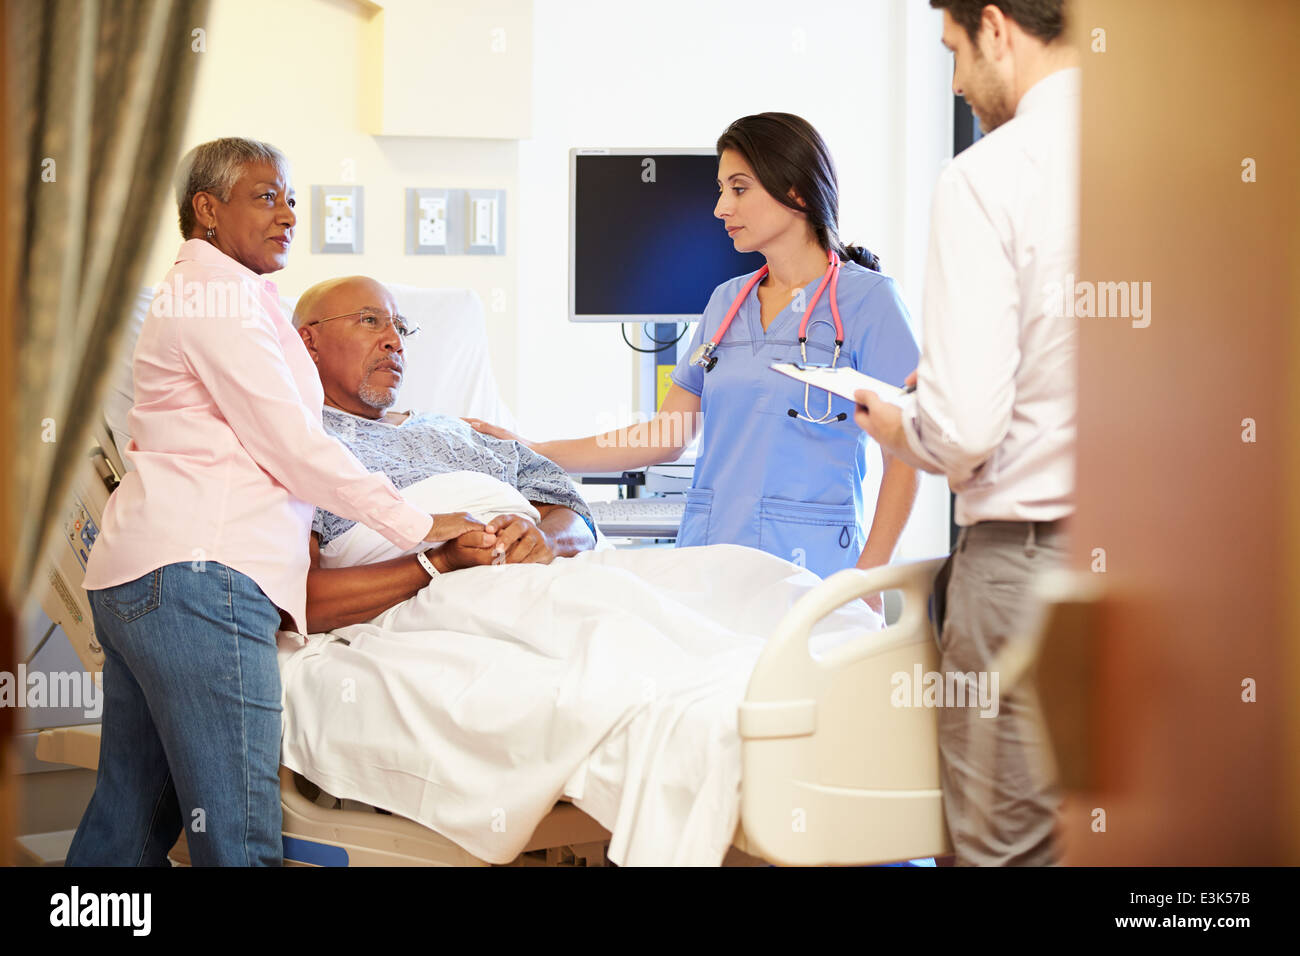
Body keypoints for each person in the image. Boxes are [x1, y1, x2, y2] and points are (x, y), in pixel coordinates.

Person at [69, 138, 486, 867]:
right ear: (207, 209)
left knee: (126, 831)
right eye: (266, 197)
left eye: (290, 198)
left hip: (146, 579)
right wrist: (418, 525)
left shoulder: (232, 297)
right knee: (241, 840)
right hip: (201, 582)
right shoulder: (216, 300)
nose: (288, 214)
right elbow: (293, 445)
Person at [469, 113, 921, 615]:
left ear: (794, 190)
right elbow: (666, 435)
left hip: (815, 572)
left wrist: (870, 575)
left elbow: (906, 454)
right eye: (721, 188)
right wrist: (534, 449)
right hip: (711, 561)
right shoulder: (727, 302)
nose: (720, 207)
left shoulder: (869, 302)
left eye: (739, 188)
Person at [852, 0, 1079, 865]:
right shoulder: (1175, 163)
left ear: (994, 26)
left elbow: (966, 431)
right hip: (1165, 571)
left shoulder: (990, 175)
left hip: (1027, 568)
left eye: (953, 49)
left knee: (1011, 851)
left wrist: (903, 421)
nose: (955, 81)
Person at [290, 275, 597, 632]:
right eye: (370, 320)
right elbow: (301, 601)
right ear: (310, 343)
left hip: (547, 588)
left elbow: (575, 515)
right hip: (445, 613)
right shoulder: (299, 441)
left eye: (400, 328)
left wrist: (545, 540)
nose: (394, 342)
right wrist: (438, 561)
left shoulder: (459, 429)